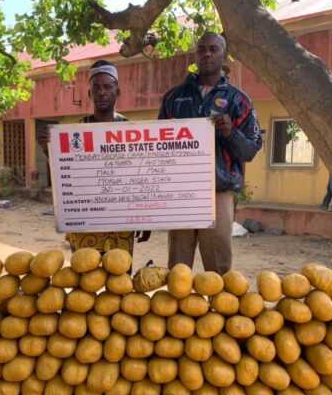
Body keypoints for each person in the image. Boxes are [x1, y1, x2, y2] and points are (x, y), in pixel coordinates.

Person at [158, 32, 262, 274]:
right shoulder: (173, 97)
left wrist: (230, 133)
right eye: (202, 48)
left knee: (219, 269)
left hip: (218, 191)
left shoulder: (238, 100)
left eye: (213, 49)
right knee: (178, 267)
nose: (207, 53)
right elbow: (159, 146)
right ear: (196, 54)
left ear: (223, 54)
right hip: (180, 194)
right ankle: (177, 311)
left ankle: (219, 310)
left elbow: (250, 150)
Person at [39, 60, 150, 257]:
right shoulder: (73, 132)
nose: (101, 92)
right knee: (84, 282)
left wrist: (145, 219)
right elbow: (62, 174)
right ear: (89, 93)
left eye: (107, 86)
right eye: (96, 88)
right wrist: (47, 147)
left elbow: (140, 178)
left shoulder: (132, 130)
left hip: (121, 226)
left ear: (118, 91)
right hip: (85, 224)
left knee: (119, 281)